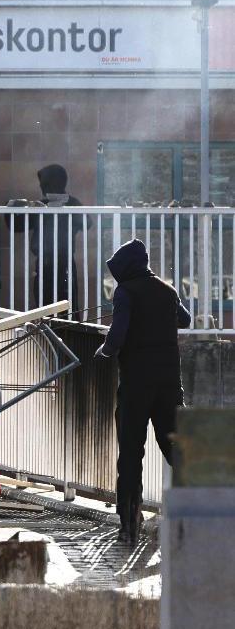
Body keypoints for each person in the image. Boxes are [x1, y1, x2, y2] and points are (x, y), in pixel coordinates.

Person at [95, 239, 191, 544]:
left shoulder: (125, 292)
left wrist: (104, 351)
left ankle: (130, 524)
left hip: (136, 385)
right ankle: (193, 516)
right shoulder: (167, 290)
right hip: (168, 385)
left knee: (131, 453)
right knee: (178, 451)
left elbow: (118, 334)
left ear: (125, 268)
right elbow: (185, 320)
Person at [27, 164, 83, 308]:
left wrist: (65, 211)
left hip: (64, 263)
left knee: (67, 308)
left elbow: (86, 222)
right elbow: (18, 225)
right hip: (45, 263)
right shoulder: (42, 205)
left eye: (44, 184)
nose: (42, 188)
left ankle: (67, 331)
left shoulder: (71, 203)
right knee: (45, 307)